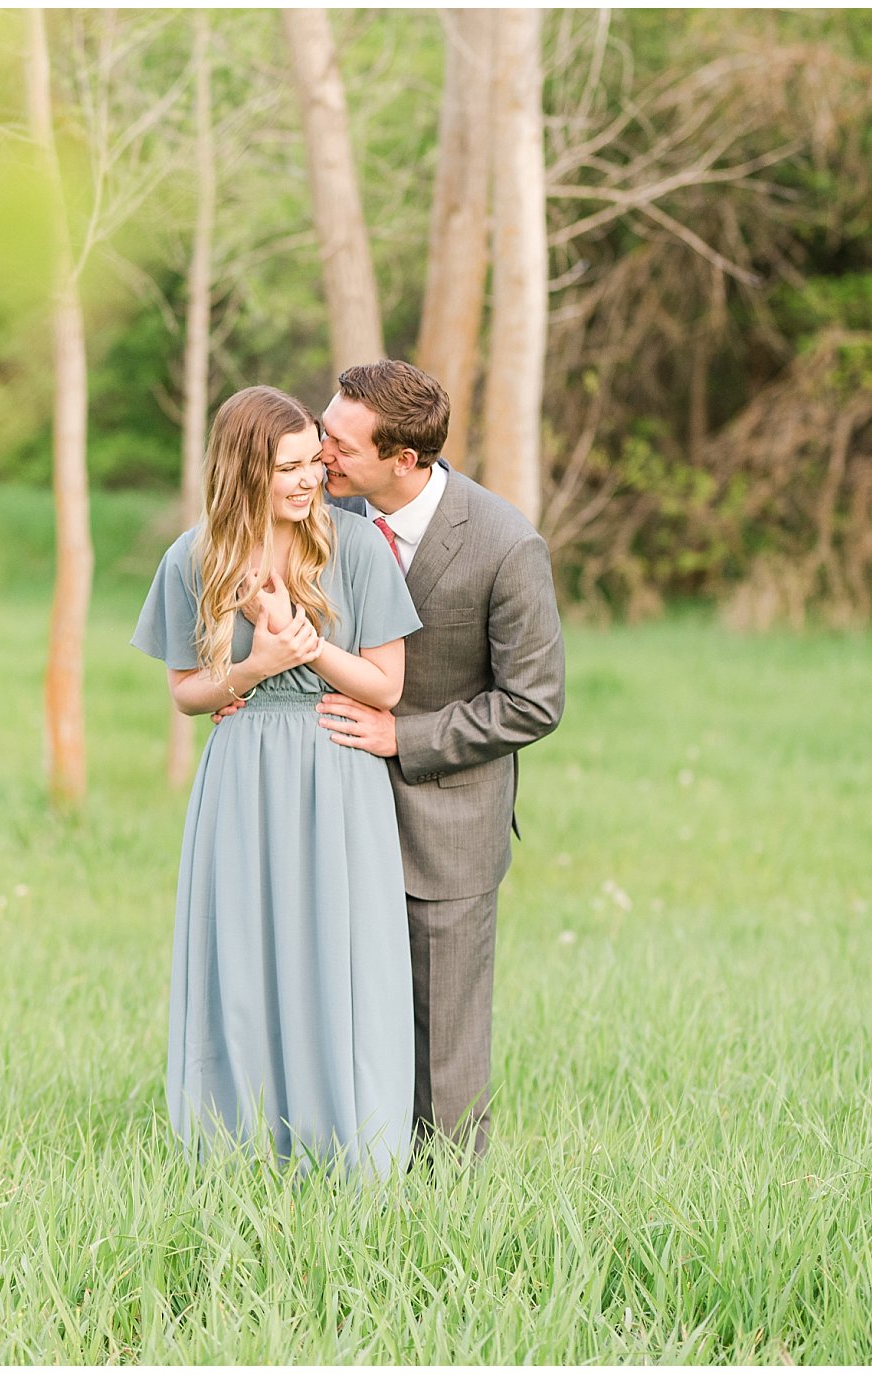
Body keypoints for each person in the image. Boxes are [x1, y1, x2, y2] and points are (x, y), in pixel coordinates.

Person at [131, 385, 423, 1180]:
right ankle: (238, 1147)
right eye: (287, 466)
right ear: (245, 470)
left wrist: (302, 646)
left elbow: (387, 687)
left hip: (337, 767)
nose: (307, 479)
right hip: (242, 775)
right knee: (245, 951)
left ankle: (351, 1150)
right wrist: (254, 666)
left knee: (340, 950)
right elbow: (188, 691)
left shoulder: (356, 549)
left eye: (311, 461)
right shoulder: (195, 558)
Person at [307, 358, 566, 1162]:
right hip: (331, 804)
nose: (321, 454)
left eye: (340, 444)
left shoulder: (505, 545)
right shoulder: (318, 518)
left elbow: (534, 701)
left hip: (448, 827)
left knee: (443, 1050)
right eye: (323, 430)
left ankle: (449, 1213)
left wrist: (403, 738)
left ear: (404, 460)